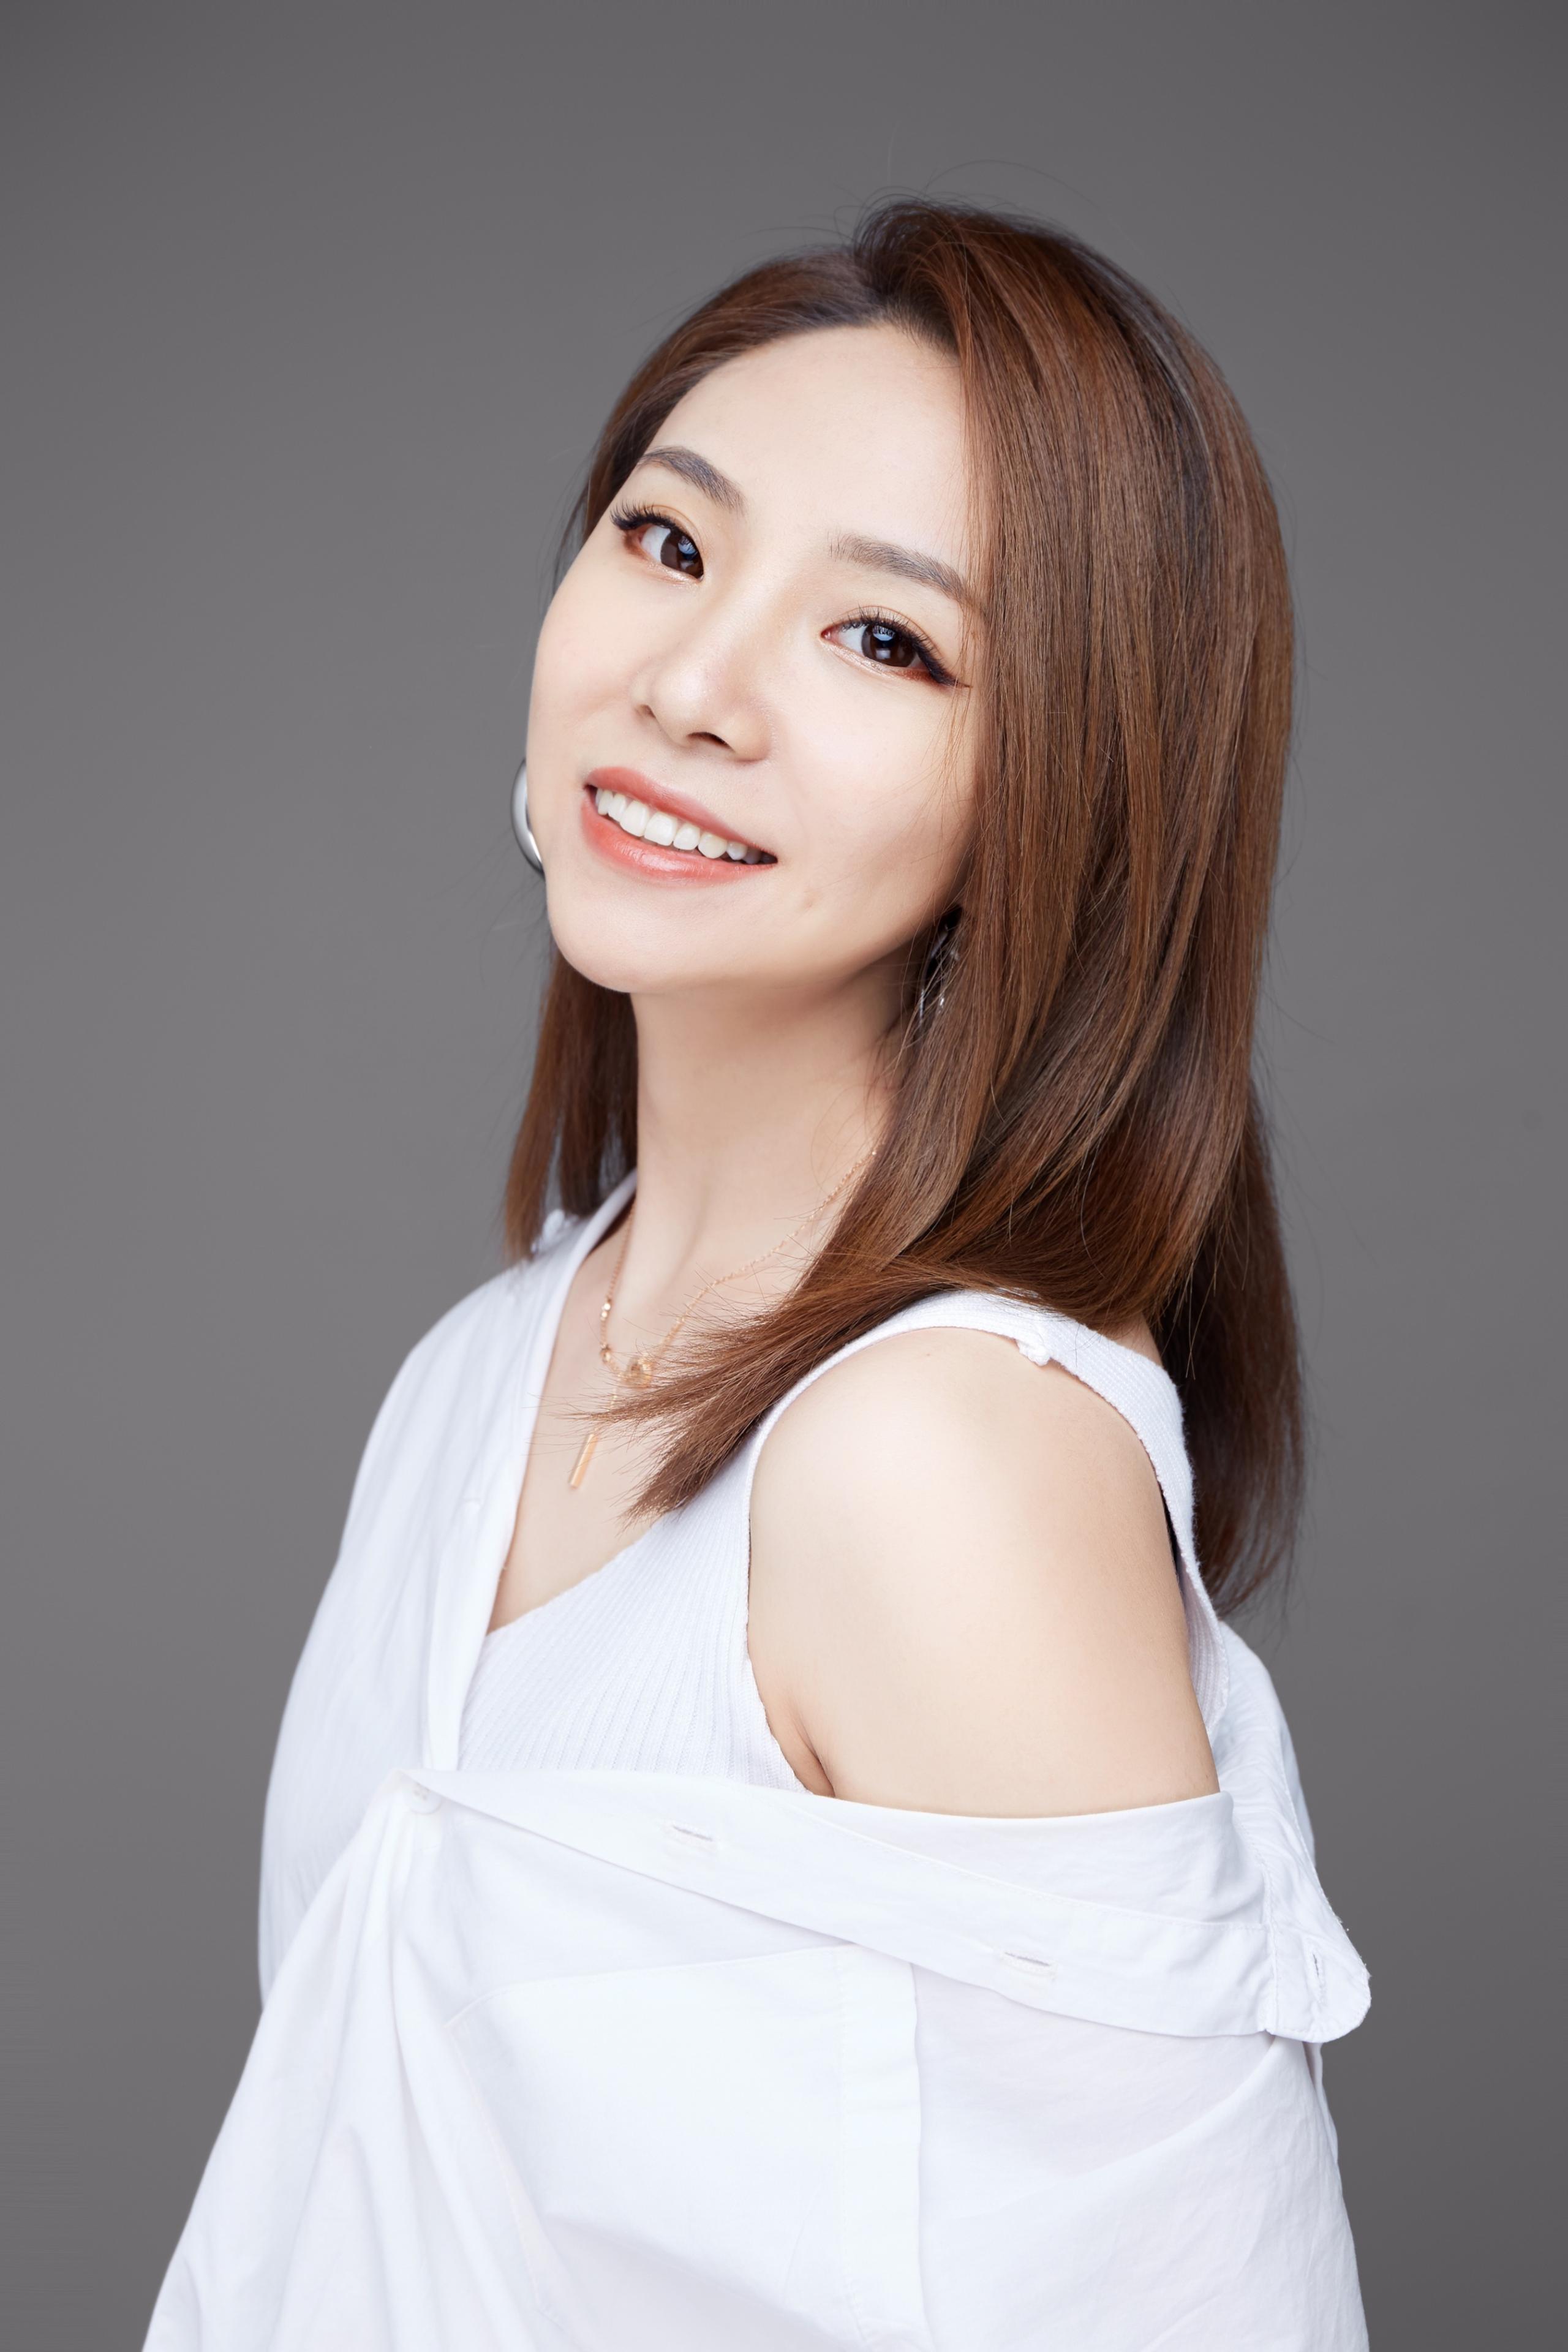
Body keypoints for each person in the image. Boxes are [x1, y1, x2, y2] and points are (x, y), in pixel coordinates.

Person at [146, 200, 1370, 2350]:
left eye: (884, 641)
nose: (693, 686)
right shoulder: (475, 1378)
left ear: (1055, 802)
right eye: (669, 541)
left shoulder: (940, 1458)